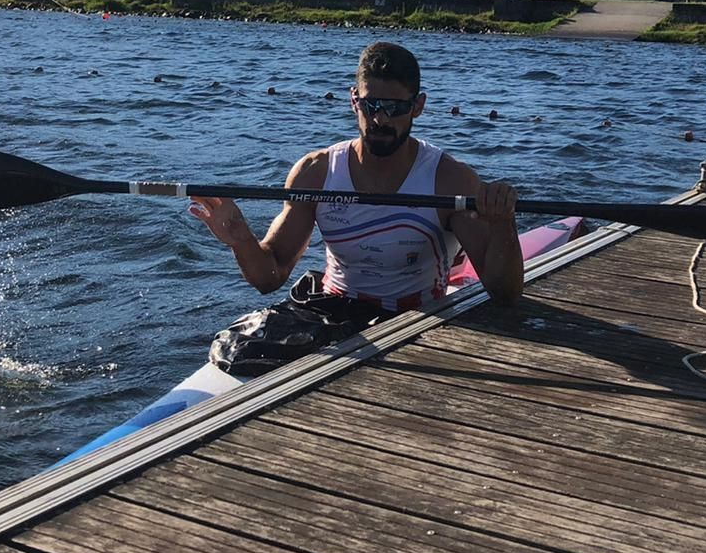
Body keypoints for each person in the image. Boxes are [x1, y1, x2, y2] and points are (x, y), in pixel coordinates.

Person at [189, 42, 523, 376]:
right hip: (333, 312)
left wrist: (502, 225)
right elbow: (269, 277)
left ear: (417, 106)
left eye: (394, 108)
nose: (379, 118)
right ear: (354, 100)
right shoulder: (315, 172)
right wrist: (241, 240)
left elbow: (504, 292)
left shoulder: (450, 180)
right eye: (371, 105)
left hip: (416, 320)